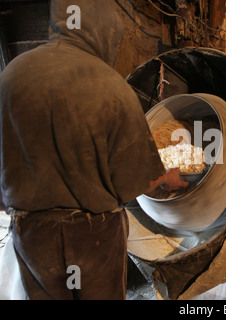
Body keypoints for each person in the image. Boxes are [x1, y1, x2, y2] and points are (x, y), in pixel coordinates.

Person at [0, 0, 187, 300]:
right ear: (104, 30)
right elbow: (134, 182)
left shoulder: (12, 75)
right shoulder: (113, 88)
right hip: (93, 238)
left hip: (33, 235)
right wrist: (167, 178)